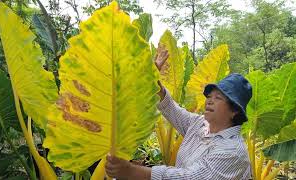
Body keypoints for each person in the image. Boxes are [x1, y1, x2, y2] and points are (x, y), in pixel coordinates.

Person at [105, 45, 252, 180]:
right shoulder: (199, 124)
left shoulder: (233, 151)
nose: (209, 101)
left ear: (234, 111)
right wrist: (153, 76)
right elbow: (170, 108)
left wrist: (132, 171)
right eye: (209, 96)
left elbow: (189, 177)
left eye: (218, 98)